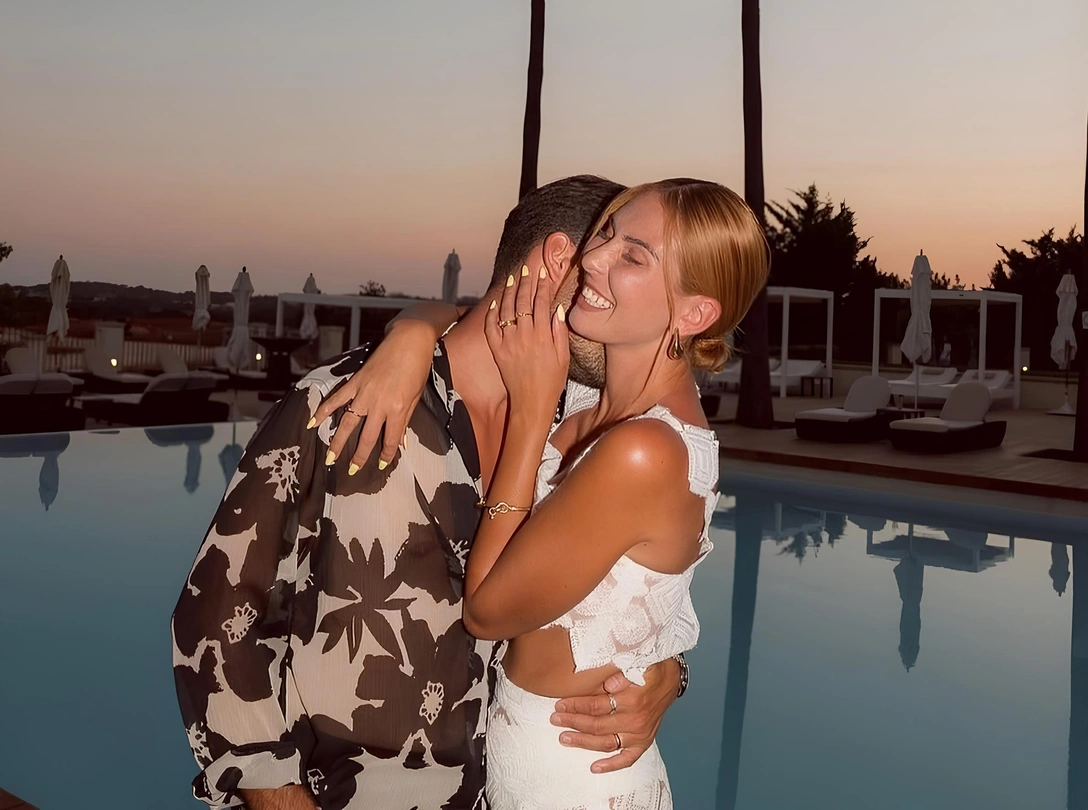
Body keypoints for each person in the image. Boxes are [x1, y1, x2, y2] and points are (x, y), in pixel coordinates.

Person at [171, 176, 685, 810]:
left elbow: (636, 594)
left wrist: (669, 675)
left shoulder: (578, 435)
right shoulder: (341, 404)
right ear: (558, 260)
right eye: (617, 259)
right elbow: (218, 620)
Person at [320, 178, 770, 807]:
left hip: (573, 779)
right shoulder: (590, 403)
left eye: (632, 256)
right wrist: (413, 332)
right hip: (524, 760)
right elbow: (484, 316)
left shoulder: (645, 451)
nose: (594, 257)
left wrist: (531, 416)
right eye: (606, 233)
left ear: (694, 314)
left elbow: (486, 613)